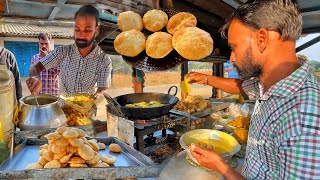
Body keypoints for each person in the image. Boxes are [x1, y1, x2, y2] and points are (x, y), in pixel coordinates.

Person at [186, 0, 320, 179]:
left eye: (235, 47)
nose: (232, 58)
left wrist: (220, 166)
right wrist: (206, 79)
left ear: (262, 39)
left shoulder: (303, 119)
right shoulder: (269, 84)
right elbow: (242, 87)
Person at [26, 5, 112, 95]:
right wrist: (35, 77)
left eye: (87, 30)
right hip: (62, 107)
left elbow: (102, 91)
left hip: (87, 107)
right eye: (77, 29)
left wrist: (92, 103)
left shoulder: (104, 60)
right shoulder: (62, 52)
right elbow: (35, 67)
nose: (81, 35)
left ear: (96, 30)